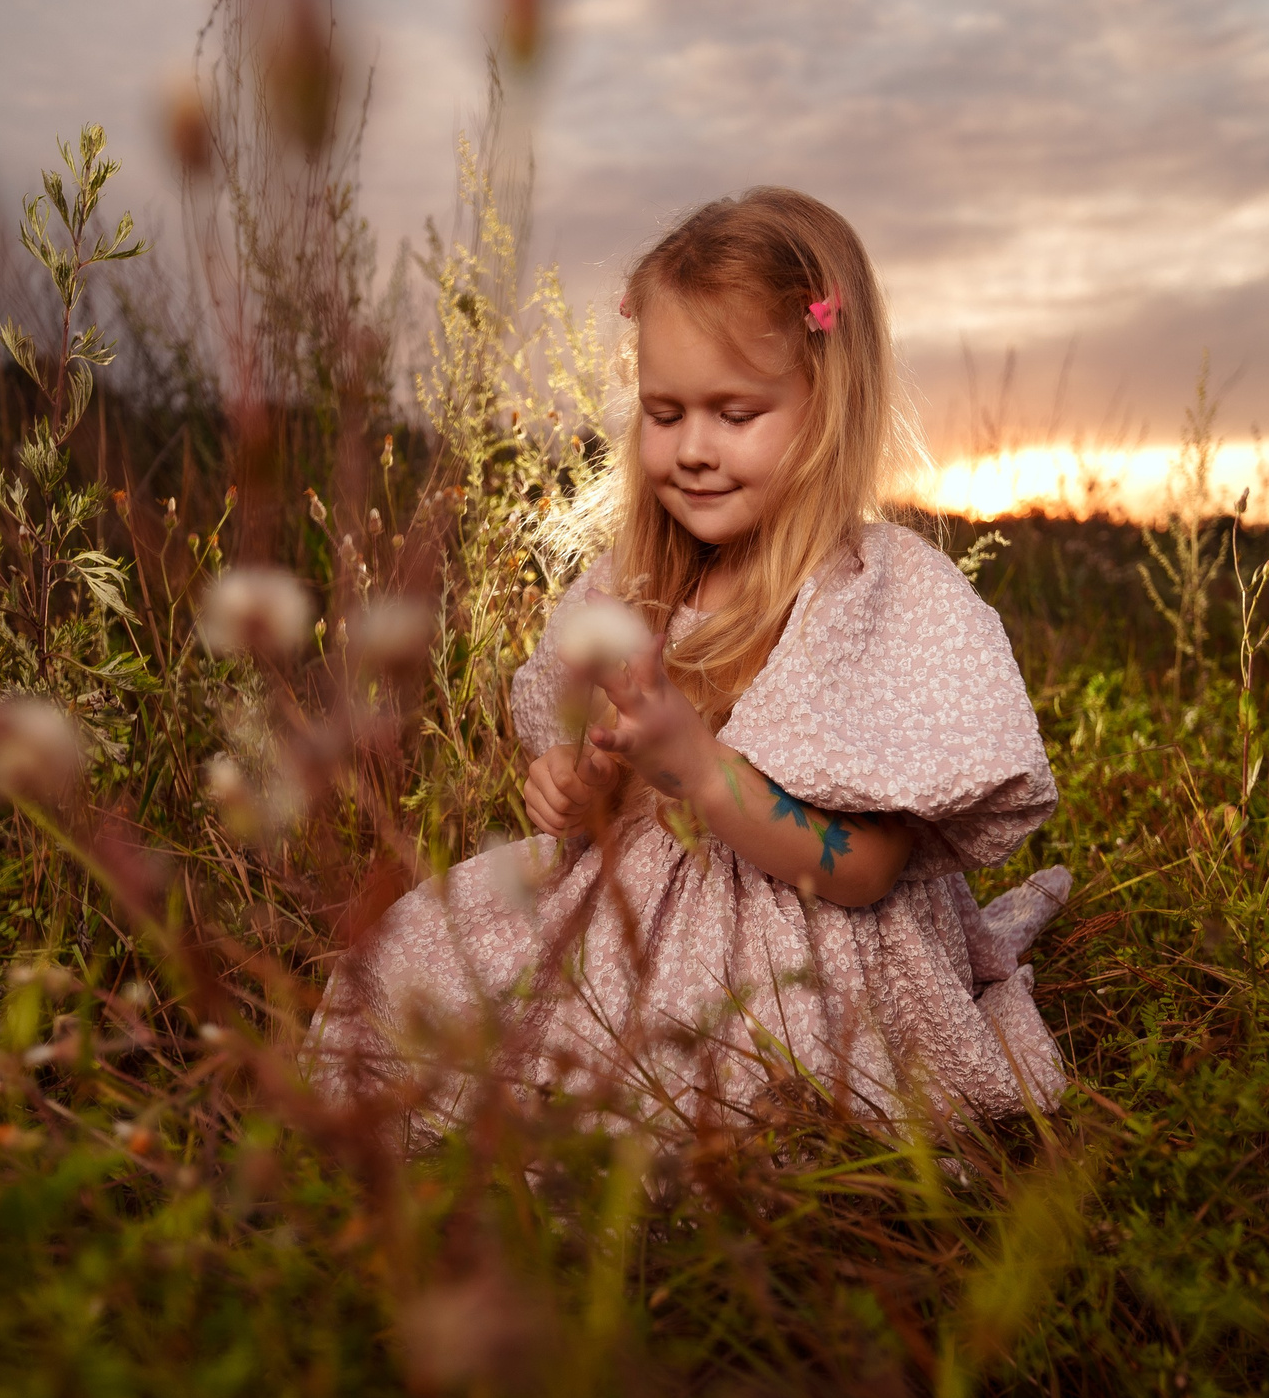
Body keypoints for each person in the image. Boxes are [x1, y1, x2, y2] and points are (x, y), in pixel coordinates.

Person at [312, 187, 1071, 1133]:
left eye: (735, 413)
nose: (694, 450)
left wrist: (703, 769)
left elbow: (867, 870)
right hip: (632, 913)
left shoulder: (871, 597)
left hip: (802, 943)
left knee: (712, 1092)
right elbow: (605, 792)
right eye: (665, 413)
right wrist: (573, 788)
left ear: (828, 404)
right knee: (425, 984)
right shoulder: (637, 585)